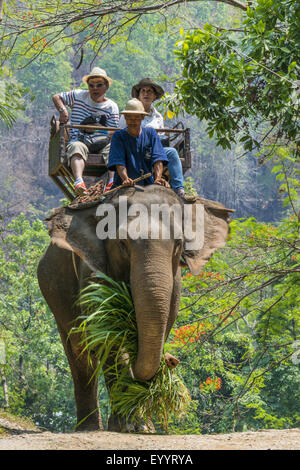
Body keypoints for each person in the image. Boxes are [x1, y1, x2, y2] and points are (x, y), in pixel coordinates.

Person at [52, 67, 119, 195]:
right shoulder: (78, 96)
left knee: (113, 149)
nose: (95, 88)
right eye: (91, 85)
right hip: (80, 139)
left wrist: (95, 129)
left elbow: (113, 131)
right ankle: (79, 181)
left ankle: (111, 181)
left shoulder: (112, 107)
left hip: (102, 142)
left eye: (99, 85)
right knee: (76, 146)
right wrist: (63, 110)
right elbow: (56, 97)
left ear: (106, 87)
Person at [119, 78, 185, 197]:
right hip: (133, 149)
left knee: (172, 152)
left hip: (152, 152)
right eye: (143, 91)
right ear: (138, 95)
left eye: (149, 91)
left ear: (154, 96)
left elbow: (158, 141)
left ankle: (179, 189)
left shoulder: (158, 117)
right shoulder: (128, 113)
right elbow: (121, 133)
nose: (146, 94)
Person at [107, 98, 169, 189]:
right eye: (129, 117)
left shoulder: (151, 133)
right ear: (125, 117)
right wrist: (126, 179)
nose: (133, 121)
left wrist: (158, 178)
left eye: (136, 117)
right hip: (123, 184)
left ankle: (180, 190)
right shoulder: (118, 136)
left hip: (148, 183)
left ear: (142, 117)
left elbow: (158, 158)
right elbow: (118, 161)